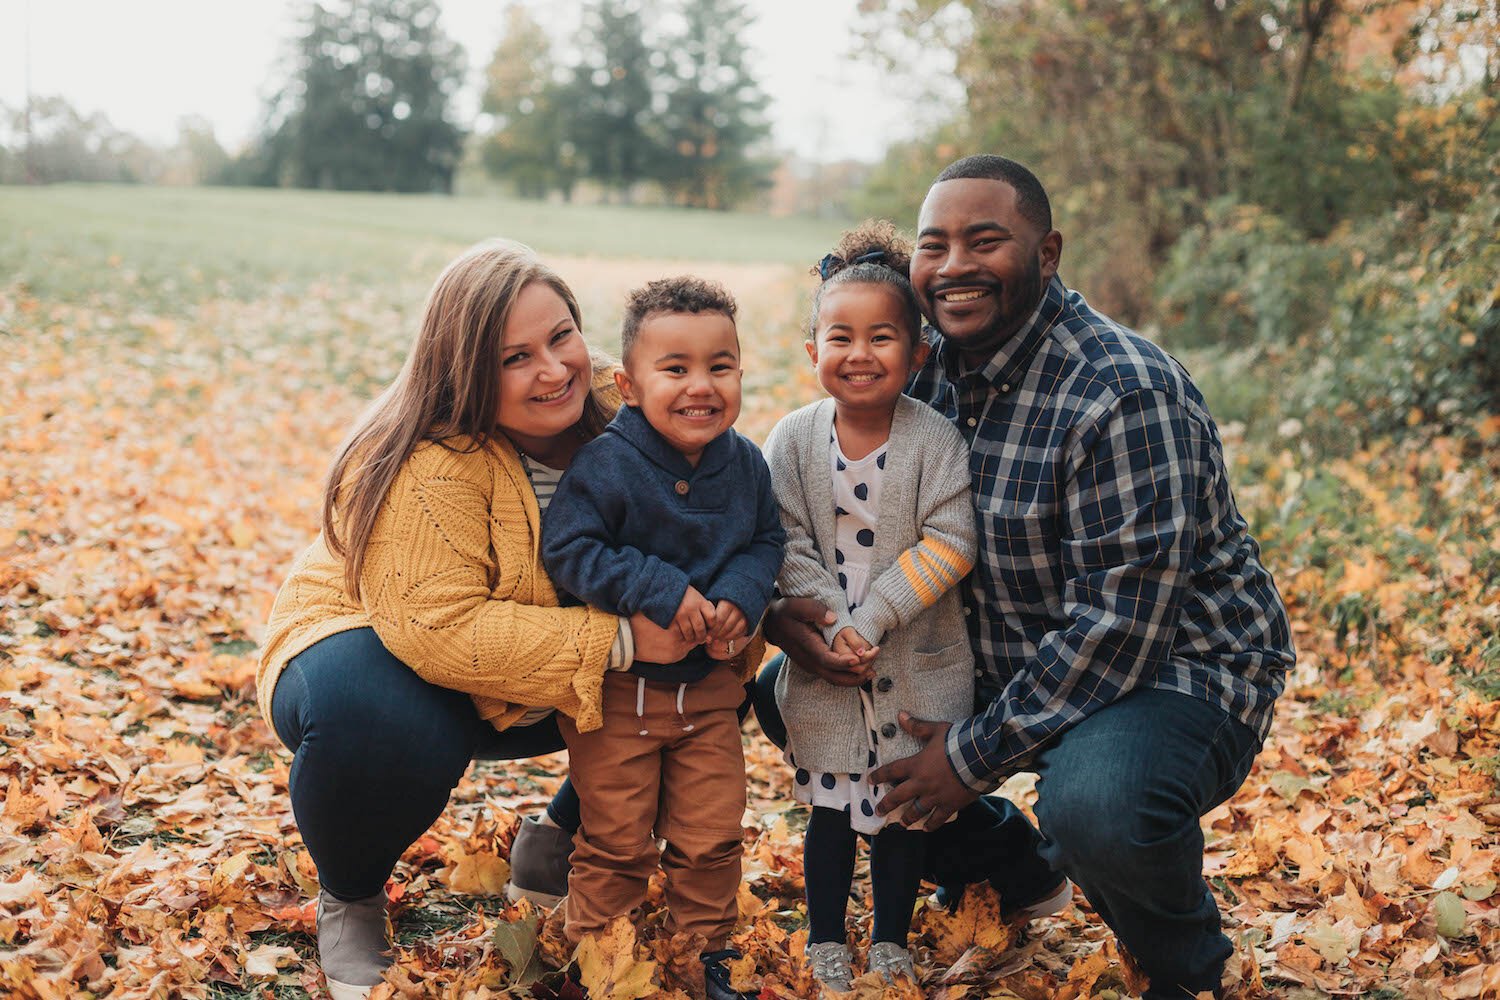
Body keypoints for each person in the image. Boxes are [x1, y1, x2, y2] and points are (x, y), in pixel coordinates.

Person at [759, 155, 1295, 999]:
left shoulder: (1121, 393)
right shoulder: (921, 362)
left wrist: (968, 758)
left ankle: (1186, 969)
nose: (954, 265)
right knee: (788, 693)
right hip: (1007, 649)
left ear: (1047, 253)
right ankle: (1012, 863)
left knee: (1098, 803)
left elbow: (1120, 625)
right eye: (933, 245)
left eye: (986, 240)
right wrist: (798, 621)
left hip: (1171, 668)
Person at [257, 241, 757, 1000]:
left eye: (561, 337)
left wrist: (737, 613)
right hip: (368, 645)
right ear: (463, 369)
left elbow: (725, 532)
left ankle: (563, 841)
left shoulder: (637, 430)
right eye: (514, 357)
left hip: (539, 667)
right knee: (382, 718)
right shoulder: (430, 463)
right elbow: (437, 629)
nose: (553, 369)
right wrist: (623, 639)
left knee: (706, 679)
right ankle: (352, 895)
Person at [540, 276, 784, 1000]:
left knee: (711, 837)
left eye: (720, 366)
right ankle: (596, 961)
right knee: (615, 843)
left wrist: (742, 596)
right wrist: (659, 589)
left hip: (710, 695)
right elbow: (572, 551)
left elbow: (766, 540)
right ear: (629, 384)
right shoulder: (607, 464)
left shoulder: (743, 464)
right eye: (675, 369)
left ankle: (700, 957)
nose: (700, 386)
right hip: (618, 699)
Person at [762, 222, 977, 991]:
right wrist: (828, 617)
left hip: (912, 653)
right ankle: (826, 937)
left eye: (882, 338)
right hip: (830, 658)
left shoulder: (935, 439)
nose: (860, 354)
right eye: (840, 337)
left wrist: (874, 616)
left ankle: (890, 938)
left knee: (900, 809)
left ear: (917, 355)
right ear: (812, 348)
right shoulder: (789, 441)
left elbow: (952, 542)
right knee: (828, 804)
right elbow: (781, 539)